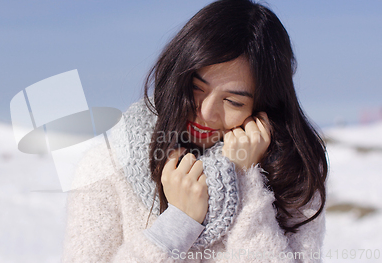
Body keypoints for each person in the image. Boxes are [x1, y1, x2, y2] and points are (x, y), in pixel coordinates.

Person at [63, 0, 327, 262]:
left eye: (233, 101)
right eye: (196, 88)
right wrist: (177, 225)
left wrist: (245, 180)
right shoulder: (106, 168)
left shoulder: (293, 175)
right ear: (176, 76)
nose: (207, 112)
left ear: (263, 107)